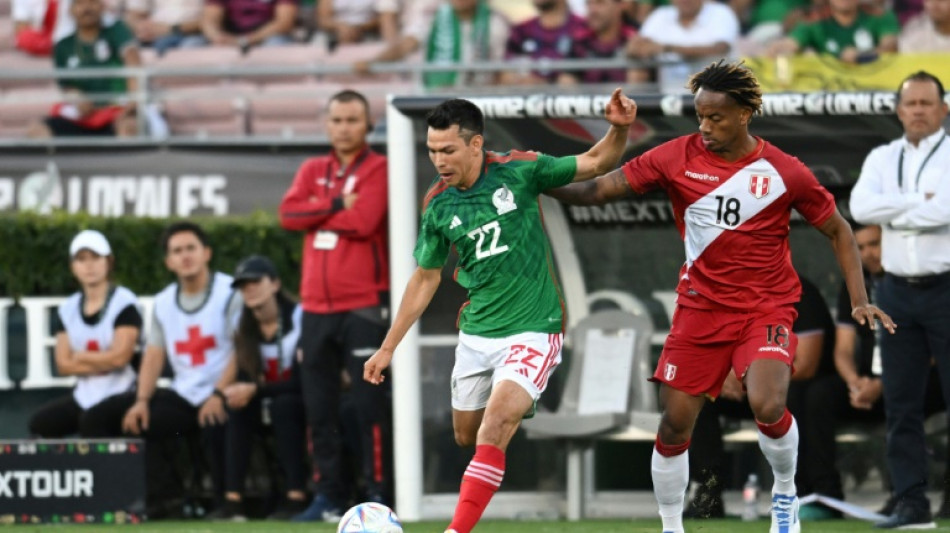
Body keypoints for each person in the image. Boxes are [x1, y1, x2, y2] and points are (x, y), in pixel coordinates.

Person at [546, 60, 893, 533]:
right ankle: (672, 526)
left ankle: (785, 494)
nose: (705, 128)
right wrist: (539, 183)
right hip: (699, 310)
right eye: (700, 117)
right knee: (672, 426)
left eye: (717, 117)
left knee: (768, 405)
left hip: (766, 306)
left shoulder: (784, 171)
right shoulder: (675, 156)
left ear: (746, 113)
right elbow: (600, 190)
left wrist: (858, 298)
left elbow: (838, 230)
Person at [362, 88, 637, 533]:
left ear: (475, 144)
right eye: (432, 151)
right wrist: (387, 348)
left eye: (448, 150)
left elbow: (595, 163)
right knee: (467, 436)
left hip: (534, 327)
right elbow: (425, 278)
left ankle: (456, 530)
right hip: (477, 333)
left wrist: (619, 128)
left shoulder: (520, 170)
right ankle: (512, 405)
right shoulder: (438, 203)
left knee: (494, 426)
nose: (439, 160)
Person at [279, 89, 392, 522]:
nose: (344, 127)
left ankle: (377, 493)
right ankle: (328, 495)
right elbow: (288, 216)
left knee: (368, 407)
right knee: (318, 408)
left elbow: (365, 222)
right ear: (327, 125)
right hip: (314, 309)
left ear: (367, 125)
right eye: (337, 120)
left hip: (362, 305)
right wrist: (334, 204)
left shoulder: (380, 168)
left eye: (352, 120)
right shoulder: (313, 169)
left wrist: (317, 212)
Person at [82, 221, 242, 519]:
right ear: (168, 261)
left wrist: (219, 393)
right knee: (125, 419)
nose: (185, 256)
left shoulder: (230, 292)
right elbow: (153, 356)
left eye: (191, 248)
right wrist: (141, 401)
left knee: (219, 421)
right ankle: (161, 501)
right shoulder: (164, 301)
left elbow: (241, 351)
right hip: (184, 395)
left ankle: (226, 505)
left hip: (222, 391)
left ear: (206, 252)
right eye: (177, 251)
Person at [849, 70, 950, 530]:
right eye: (911, 103)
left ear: (943, 109)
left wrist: (898, 205)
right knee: (901, 405)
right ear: (898, 109)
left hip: (946, 287)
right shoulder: (880, 156)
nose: (918, 111)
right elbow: (861, 209)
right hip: (895, 292)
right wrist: (917, 203)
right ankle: (911, 503)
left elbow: (946, 210)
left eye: (927, 103)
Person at [683, 273, 835, 520]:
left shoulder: (800, 292)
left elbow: (806, 365)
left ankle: (804, 494)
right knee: (697, 391)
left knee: (799, 395)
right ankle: (707, 494)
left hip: (788, 386)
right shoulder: (724, 290)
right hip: (745, 388)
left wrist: (748, 376)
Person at [212, 255, 309, 521]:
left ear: (275, 284)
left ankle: (296, 496)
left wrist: (254, 390)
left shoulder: (300, 318)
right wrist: (235, 393)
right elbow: (245, 375)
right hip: (266, 395)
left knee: (284, 406)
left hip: (301, 397)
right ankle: (233, 500)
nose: (249, 289)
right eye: (243, 286)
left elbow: (305, 380)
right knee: (236, 407)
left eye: (255, 281)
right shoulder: (242, 325)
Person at [28, 230, 142, 438]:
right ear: (73, 266)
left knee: (93, 422)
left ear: (108, 262)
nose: (89, 265)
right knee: (40, 424)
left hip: (122, 393)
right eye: (81, 259)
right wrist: (103, 359)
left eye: (95, 257)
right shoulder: (68, 308)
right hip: (84, 395)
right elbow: (63, 364)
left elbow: (120, 358)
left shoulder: (125, 303)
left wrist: (81, 357)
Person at [27, 0, 140, 138]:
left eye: (92, 2)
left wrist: (133, 104)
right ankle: (54, 160)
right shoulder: (63, 46)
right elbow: (66, 86)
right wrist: (77, 99)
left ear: (102, 6)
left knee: (129, 129)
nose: (87, 8)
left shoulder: (117, 31)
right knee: (37, 130)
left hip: (116, 111)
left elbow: (134, 64)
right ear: (71, 10)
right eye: (80, 3)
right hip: (83, 115)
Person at [358, 0, 509, 89]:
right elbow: (405, 46)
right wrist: (376, 62)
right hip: (434, 97)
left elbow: (500, 69)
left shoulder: (496, 22)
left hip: (478, 98)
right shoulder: (431, 17)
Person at [626, 0, 740, 94]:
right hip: (670, 100)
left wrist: (667, 48)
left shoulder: (721, 13)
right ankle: (635, 110)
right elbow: (635, 46)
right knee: (637, 66)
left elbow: (720, 49)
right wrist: (638, 48)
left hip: (717, 97)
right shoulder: (660, 16)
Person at [769, 0, 899, 64]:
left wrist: (860, 57)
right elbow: (792, 43)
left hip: (874, 85)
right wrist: (778, 48)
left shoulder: (879, 16)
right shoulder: (815, 20)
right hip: (831, 89)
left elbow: (891, 47)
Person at [559, 0, 644, 85]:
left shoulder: (637, 35)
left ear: (620, 5)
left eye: (600, 3)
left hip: (625, 96)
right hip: (590, 97)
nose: (592, 10)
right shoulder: (579, 40)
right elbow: (566, 81)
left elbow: (639, 89)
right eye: (588, 3)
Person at [501, 0, 586, 85]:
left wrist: (545, 84)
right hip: (525, 96)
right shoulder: (521, 31)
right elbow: (506, 75)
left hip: (570, 97)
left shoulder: (583, 29)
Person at [200, 0, 299, 51]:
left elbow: (284, 23)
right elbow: (210, 19)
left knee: (276, 45)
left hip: (267, 36)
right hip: (231, 35)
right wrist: (217, 36)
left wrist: (246, 40)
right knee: (197, 46)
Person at [122, 0, 205, 56]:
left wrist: (171, 29)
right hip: (154, 36)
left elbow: (210, 20)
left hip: (192, 35)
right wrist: (142, 29)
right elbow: (134, 15)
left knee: (189, 48)